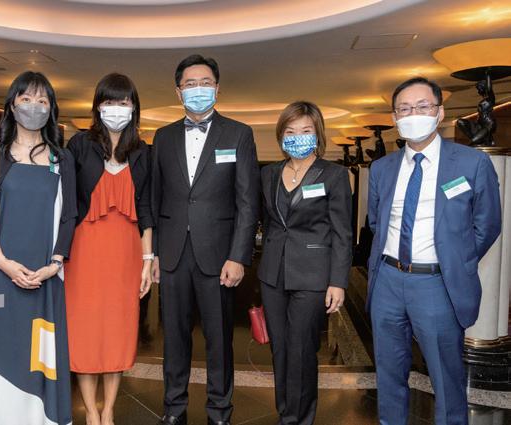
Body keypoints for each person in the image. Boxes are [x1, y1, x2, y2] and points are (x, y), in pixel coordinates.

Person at [367, 77, 501, 425]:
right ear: (395, 117)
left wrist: (456, 261)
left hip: (437, 284)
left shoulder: (471, 163)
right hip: (388, 281)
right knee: (388, 371)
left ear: (439, 113)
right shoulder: (381, 168)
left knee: (445, 376)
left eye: (422, 106)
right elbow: (376, 222)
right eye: (405, 109)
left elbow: (487, 225)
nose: (413, 114)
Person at [151, 54, 260, 425]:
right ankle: (173, 407)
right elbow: (155, 198)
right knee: (174, 337)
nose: (198, 89)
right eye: (190, 84)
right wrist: (153, 254)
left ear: (217, 88)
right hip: (172, 253)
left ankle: (219, 411)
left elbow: (248, 202)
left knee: (219, 338)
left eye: (205, 83)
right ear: (178, 91)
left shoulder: (239, 134)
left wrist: (239, 256)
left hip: (219, 255)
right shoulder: (162, 137)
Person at [0, 71, 77, 425]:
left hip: (44, 277)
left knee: (37, 360)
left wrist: (54, 264)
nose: (34, 106)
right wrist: (3, 263)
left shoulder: (61, 159)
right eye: (26, 98)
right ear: (12, 105)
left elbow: (69, 217)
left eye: (42, 100)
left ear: (51, 109)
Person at [64, 72, 153, 425]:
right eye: (109, 101)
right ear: (98, 106)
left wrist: (147, 261)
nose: (117, 108)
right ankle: (90, 411)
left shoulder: (143, 152)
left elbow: (146, 209)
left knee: (118, 331)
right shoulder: (79, 145)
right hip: (83, 252)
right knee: (85, 332)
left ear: (134, 107)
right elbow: (66, 202)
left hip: (126, 254)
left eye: (124, 102)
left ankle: (109, 409)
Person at [258, 101, 352, 425]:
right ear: (281, 136)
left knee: (301, 349)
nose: (297, 136)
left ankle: (299, 418)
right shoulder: (269, 173)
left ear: (317, 134)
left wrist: (338, 281)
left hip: (313, 274)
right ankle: (286, 413)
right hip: (273, 274)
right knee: (280, 349)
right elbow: (269, 222)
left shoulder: (334, 175)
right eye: (290, 131)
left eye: (305, 130)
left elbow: (342, 232)